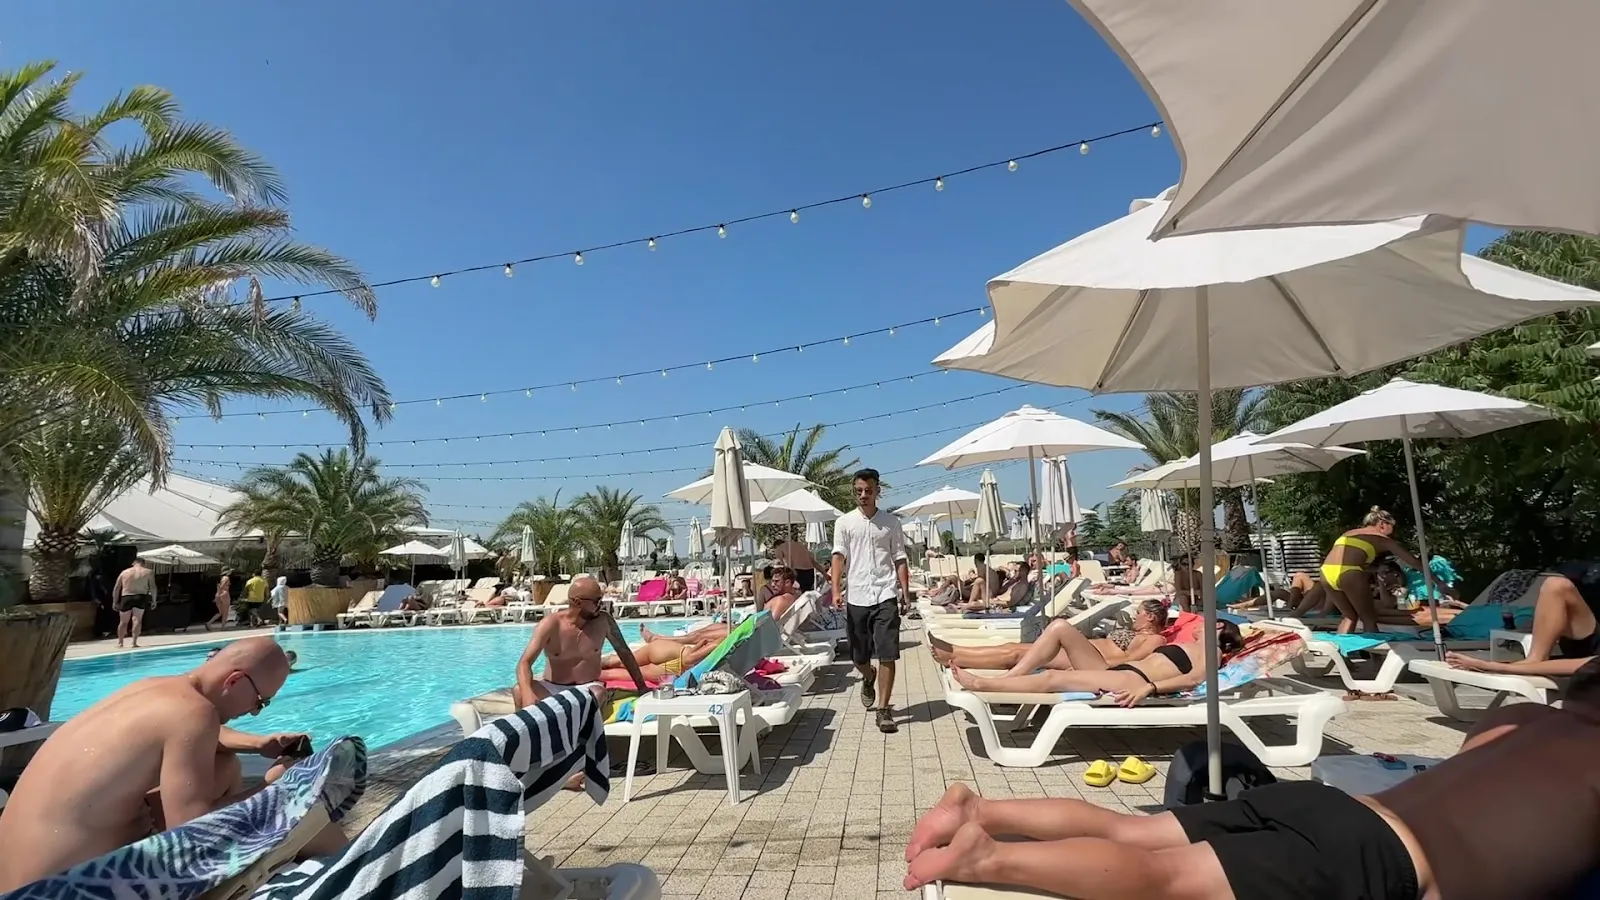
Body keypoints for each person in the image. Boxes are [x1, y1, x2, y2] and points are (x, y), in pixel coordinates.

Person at [905, 657, 1600, 899]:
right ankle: (987, 857)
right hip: (1382, 858)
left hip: (1334, 808)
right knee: (1168, 881)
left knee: (1131, 831)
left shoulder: (1520, 720)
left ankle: (982, 809)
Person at [0, 638, 341, 891]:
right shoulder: (194, 714)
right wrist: (274, 788)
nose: (254, 712)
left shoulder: (154, 689)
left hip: (17, 884)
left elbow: (196, 734)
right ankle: (352, 871)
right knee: (296, 814)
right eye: (260, 702)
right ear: (234, 681)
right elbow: (194, 831)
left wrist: (258, 744)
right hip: (68, 889)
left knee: (224, 767)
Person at [950, 621, 1247, 704]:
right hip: (1119, 671)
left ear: (1219, 626)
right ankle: (1009, 679)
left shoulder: (1211, 650)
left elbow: (1195, 679)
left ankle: (983, 685)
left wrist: (1151, 688)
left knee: (1054, 679)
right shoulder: (1190, 644)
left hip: (1134, 681)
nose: (1198, 624)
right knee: (1059, 627)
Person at [831, 468, 910, 734]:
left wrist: (904, 591)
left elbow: (900, 557)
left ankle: (884, 710)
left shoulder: (891, 522)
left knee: (888, 652)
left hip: (885, 593)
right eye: (859, 491)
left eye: (868, 490)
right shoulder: (845, 523)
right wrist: (836, 590)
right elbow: (838, 556)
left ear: (878, 491)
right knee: (858, 655)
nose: (863, 495)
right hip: (857, 596)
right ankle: (868, 675)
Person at [512, 575, 648, 709]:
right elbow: (524, 663)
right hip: (552, 687)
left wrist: (642, 687)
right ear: (577, 602)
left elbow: (624, 653)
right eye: (596, 601)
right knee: (519, 691)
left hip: (587, 687)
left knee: (598, 694)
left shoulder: (604, 621)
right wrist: (527, 693)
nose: (601, 605)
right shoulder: (551, 624)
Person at [1447, 562, 1600, 677]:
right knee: (1556, 585)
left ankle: (1533, 662)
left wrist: (1492, 666)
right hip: (1590, 643)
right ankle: (1536, 658)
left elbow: (1586, 665)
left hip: (1590, 661)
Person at [931, 599, 1170, 671]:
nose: (1135, 616)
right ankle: (955, 651)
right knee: (1014, 647)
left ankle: (955, 658)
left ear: (1150, 617)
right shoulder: (1138, 633)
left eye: (1139, 613)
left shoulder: (1155, 640)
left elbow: (1130, 661)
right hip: (1083, 652)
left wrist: (1086, 665)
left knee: (1017, 655)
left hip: (1092, 660)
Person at [1320, 507, 1426, 634]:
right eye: (1392, 526)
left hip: (1326, 572)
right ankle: (1374, 647)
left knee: (1350, 616)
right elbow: (1413, 561)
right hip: (1349, 572)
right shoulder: (1382, 539)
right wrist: (1438, 582)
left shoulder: (1349, 533)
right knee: (1369, 619)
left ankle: (1340, 646)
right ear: (1382, 524)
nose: (1392, 531)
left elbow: (1348, 560)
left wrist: (1376, 569)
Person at [111, 557, 157, 649]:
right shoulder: (148, 572)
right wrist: (154, 600)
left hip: (126, 597)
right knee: (137, 620)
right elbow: (153, 587)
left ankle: (120, 642)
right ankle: (134, 643)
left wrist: (115, 601)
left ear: (133, 563)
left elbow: (117, 588)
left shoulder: (124, 572)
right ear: (143, 564)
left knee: (123, 621)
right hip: (140, 596)